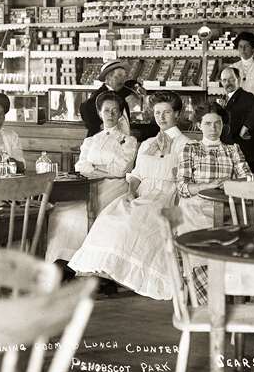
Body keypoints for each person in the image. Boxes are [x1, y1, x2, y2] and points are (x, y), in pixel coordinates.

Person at [68, 91, 189, 300]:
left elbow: (185, 179)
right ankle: (104, 274)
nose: (161, 117)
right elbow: (138, 174)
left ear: (176, 114)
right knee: (110, 216)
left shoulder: (185, 144)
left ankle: (124, 275)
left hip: (167, 196)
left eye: (166, 112)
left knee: (133, 222)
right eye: (157, 112)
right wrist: (131, 191)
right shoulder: (149, 143)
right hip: (142, 193)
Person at [46, 91, 138, 268]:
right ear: (99, 113)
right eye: (106, 110)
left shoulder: (129, 141)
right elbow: (80, 167)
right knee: (60, 211)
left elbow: (122, 169)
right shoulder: (91, 140)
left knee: (80, 214)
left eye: (115, 111)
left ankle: (81, 265)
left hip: (115, 186)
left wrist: (95, 167)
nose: (110, 115)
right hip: (89, 186)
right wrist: (102, 169)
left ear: (120, 114)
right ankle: (60, 262)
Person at [177, 101, 253, 304]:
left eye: (217, 123)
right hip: (194, 210)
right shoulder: (190, 149)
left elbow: (248, 178)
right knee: (204, 249)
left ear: (223, 125)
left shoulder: (232, 149)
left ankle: (227, 299)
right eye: (208, 123)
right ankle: (212, 303)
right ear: (199, 125)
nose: (213, 128)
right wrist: (207, 185)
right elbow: (183, 187)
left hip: (227, 211)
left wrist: (229, 183)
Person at [218, 66, 254, 176]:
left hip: (245, 153)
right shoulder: (225, 99)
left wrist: (246, 127)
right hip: (232, 153)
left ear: (239, 79)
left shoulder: (245, 96)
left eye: (231, 79)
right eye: (224, 80)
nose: (228, 83)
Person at [79, 60, 145, 137]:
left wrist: (138, 86)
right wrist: (97, 128)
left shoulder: (121, 90)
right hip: (104, 141)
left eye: (124, 76)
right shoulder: (99, 95)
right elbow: (85, 107)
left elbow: (131, 83)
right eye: (119, 76)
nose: (123, 80)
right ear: (108, 78)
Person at [229, 31, 254, 100]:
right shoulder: (232, 68)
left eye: (246, 46)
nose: (243, 49)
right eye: (240, 46)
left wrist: (251, 106)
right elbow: (230, 90)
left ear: (253, 48)